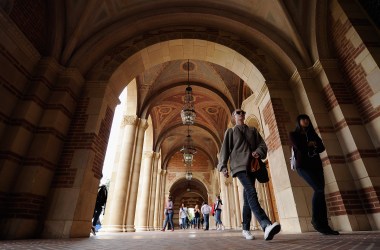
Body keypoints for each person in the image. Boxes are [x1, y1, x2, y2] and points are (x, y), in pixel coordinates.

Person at [218, 109, 281, 241]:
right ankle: (266, 224)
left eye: (243, 113)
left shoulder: (252, 130)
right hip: (238, 167)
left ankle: (245, 229)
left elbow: (262, 144)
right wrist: (223, 166)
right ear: (234, 117)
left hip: (252, 166)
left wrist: (258, 151)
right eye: (238, 113)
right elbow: (224, 150)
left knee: (247, 199)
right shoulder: (230, 132)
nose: (241, 114)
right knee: (252, 192)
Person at [289, 114, 339, 235]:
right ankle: (316, 221)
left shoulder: (313, 134)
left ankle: (324, 225)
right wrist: (310, 145)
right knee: (318, 189)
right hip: (303, 167)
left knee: (321, 191)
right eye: (303, 119)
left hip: (316, 165)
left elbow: (322, 147)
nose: (306, 121)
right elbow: (299, 146)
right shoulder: (294, 134)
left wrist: (312, 144)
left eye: (307, 119)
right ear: (298, 121)